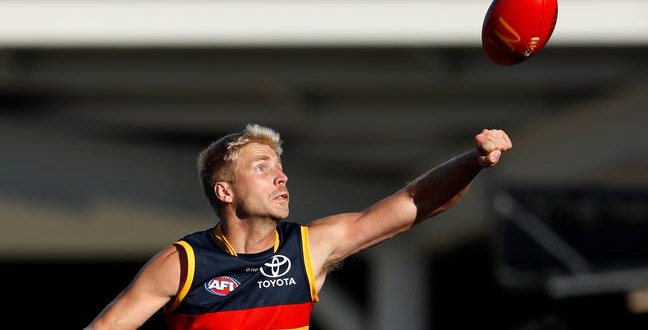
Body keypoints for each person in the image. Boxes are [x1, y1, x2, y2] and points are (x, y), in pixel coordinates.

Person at [86, 124, 512, 330]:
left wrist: (472, 162)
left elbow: (414, 203)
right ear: (225, 191)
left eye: (281, 167)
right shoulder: (184, 264)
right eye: (262, 167)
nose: (281, 177)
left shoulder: (307, 248)